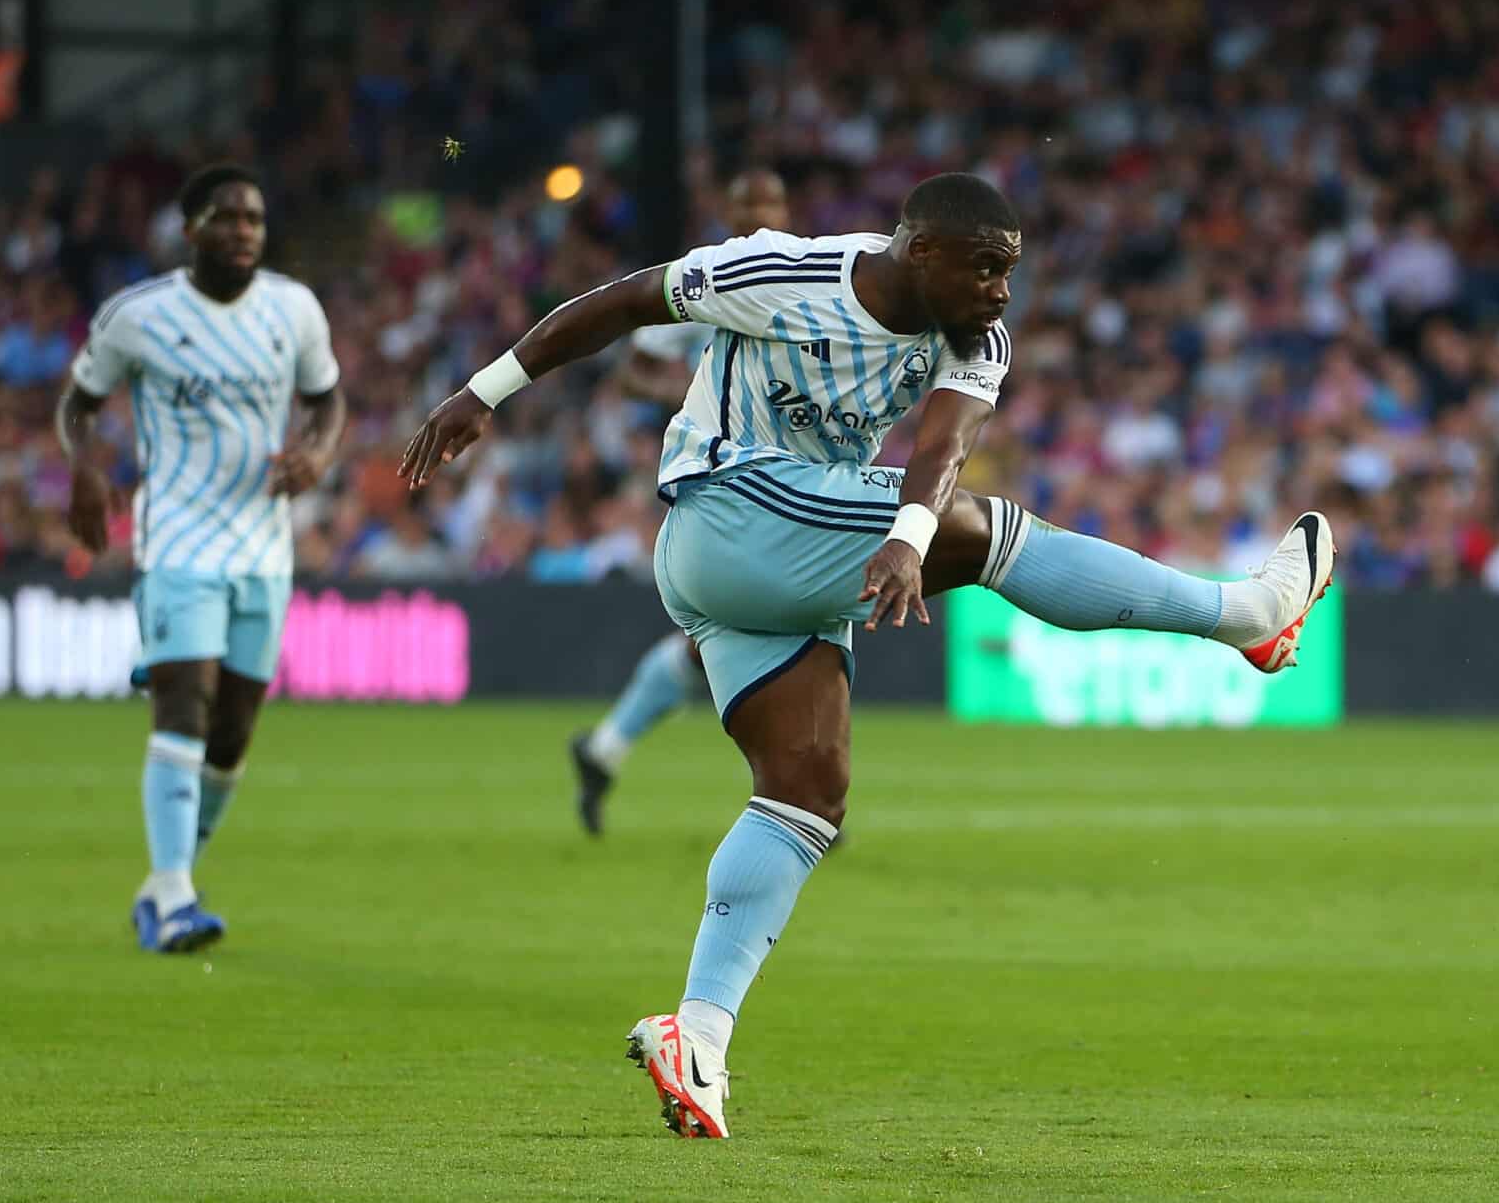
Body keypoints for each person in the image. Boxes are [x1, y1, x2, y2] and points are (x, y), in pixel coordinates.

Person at [400, 173, 1333, 1138]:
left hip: (769, 564)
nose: (1001, 292)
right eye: (984, 268)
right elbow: (623, 302)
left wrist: (907, 533)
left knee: (805, 792)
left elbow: (944, 448)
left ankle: (701, 1037)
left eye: (1008, 273)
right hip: (730, 516)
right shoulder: (779, 271)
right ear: (920, 251)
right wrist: (484, 391)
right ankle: (1243, 613)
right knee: (993, 536)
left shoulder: (976, 340)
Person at [58, 164, 347, 952]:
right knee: (184, 703)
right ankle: (177, 894)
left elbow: (326, 398)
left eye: (254, 218)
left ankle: (167, 880)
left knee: (232, 737)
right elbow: (78, 404)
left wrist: (318, 454)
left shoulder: (293, 309)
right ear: (190, 230)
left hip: (264, 545)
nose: (244, 230)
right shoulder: (139, 316)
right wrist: (84, 465)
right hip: (177, 540)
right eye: (226, 217)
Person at [569, 168, 790, 835]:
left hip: (790, 481)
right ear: (728, 214)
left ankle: (605, 748)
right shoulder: (707, 280)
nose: (758, 219)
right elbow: (633, 365)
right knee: (773, 628)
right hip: (723, 482)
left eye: (768, 206)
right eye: (746, 207)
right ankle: (794, 792)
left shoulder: (813, 277)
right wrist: (688, 400)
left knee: (729, 639)